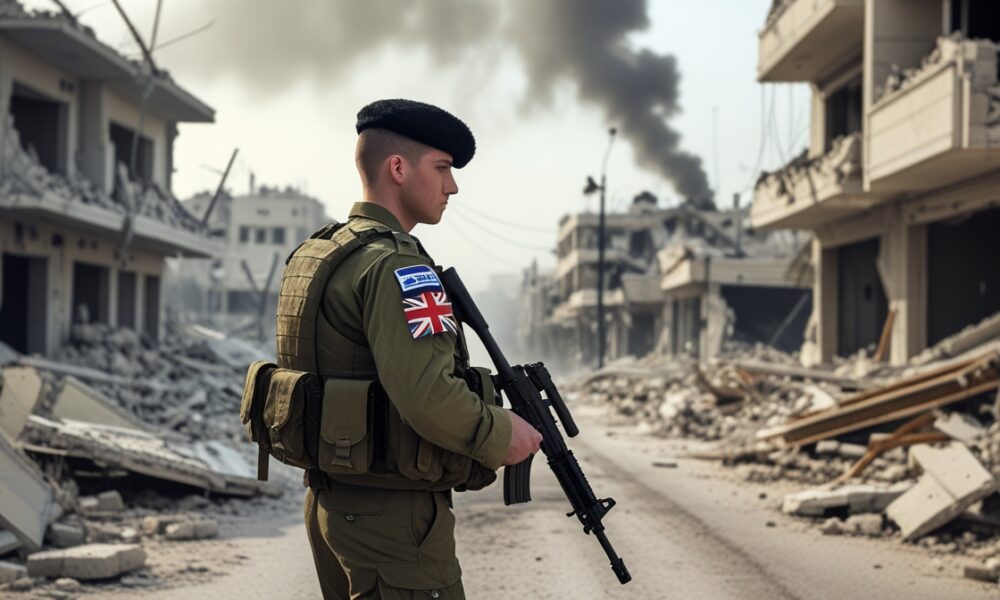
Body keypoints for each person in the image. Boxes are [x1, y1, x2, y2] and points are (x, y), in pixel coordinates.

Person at [285, 99, 543, 599]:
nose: (453, 186)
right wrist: (501, 432)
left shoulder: (322, 253)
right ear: (398, 168)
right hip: (393, 521)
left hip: (332, 503)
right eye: (442, 168)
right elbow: (427, 395)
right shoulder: (397, 267)